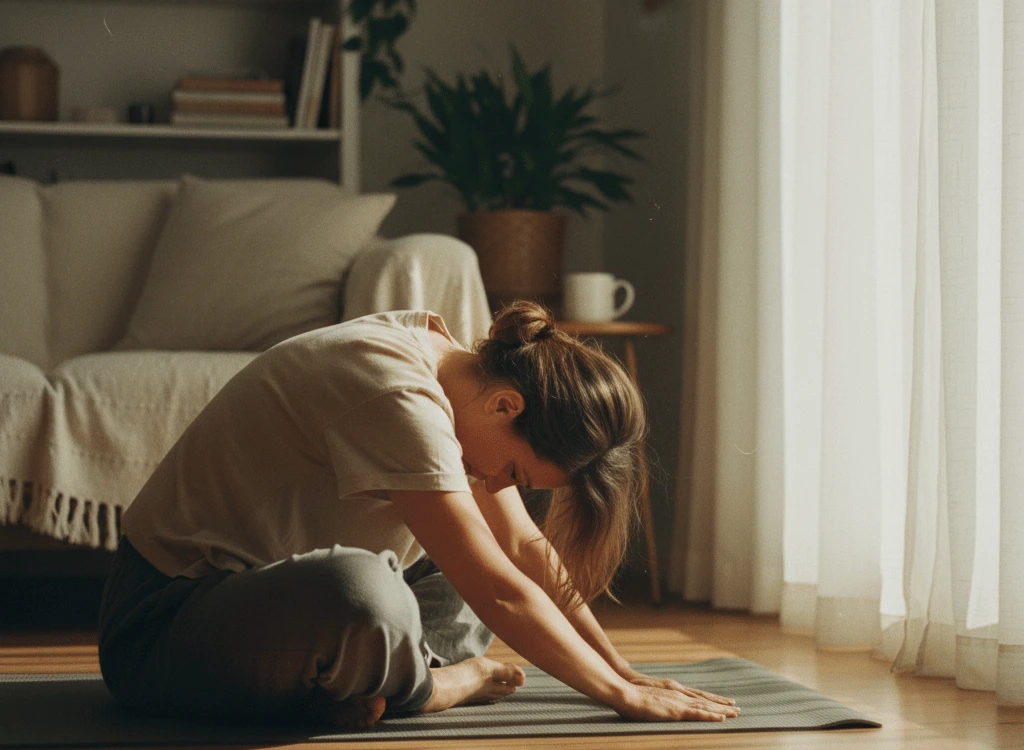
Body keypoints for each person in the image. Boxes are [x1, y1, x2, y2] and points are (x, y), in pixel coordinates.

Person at [97, 301, 739, 729]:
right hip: (164, 625)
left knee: (447, 569)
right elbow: (501, 590)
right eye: (514, 472)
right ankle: (435, 685)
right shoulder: (396, 390)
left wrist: (620, 668)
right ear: (506, 406)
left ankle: (363, 682)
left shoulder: (461, 374)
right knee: (365, 589)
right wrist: (618, 699)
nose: (497, 483)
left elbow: (522, 550)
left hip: (275, 616)